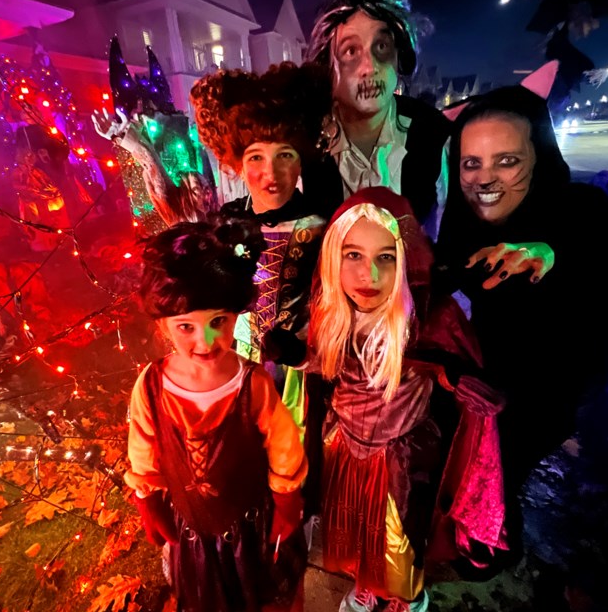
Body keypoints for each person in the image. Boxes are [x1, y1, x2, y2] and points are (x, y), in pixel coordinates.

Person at [436, 79, 608, 574]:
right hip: (486, 369)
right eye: (471, 162)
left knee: (505, 464)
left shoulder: (582, 211)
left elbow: (605, 306)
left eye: (507, 160)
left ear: (538, 157)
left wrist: (550, 259)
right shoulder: (464, 222)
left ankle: (496, 535)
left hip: (554, 382)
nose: (484, 178)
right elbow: (444, 282)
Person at [310, 187, 507, 612]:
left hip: (400, 456)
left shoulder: (427, 319)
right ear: (333, 258)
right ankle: (366, 581)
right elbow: (319, 362)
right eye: (353, 255)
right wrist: (293, 355)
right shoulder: (332, 314)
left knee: (398, 533)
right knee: (355, 524)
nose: (369, 276)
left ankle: (405, 595)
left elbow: (451, 366)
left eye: (386, 256)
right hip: (345, 443)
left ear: (407, 258)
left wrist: (455, 376)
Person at [124, 217, 308, 612]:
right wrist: (148, 497)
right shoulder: (151, 386)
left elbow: (283, 443)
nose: (205, 341)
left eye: (218, 322)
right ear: (163, 325)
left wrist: (287, 496)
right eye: (186, 326)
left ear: (235, 317)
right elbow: (142, 446)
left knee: (267, 595)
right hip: (195, 531)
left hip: (251, 524)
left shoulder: (252, 383)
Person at [189, 62, 330, 429]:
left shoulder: (322, 226)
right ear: (237, 162)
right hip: (236, 367)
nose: (271, 173)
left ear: (301, 163)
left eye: (285, 154)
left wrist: (301, 353)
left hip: (303, 373)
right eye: (256, 157)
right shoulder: (226, 222)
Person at [304, 0, 452, 240]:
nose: (370, 67)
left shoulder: (432, 132)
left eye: (382, 47)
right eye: (351, 51)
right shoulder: (304, 141)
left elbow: (455, 233)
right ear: (326, 65)